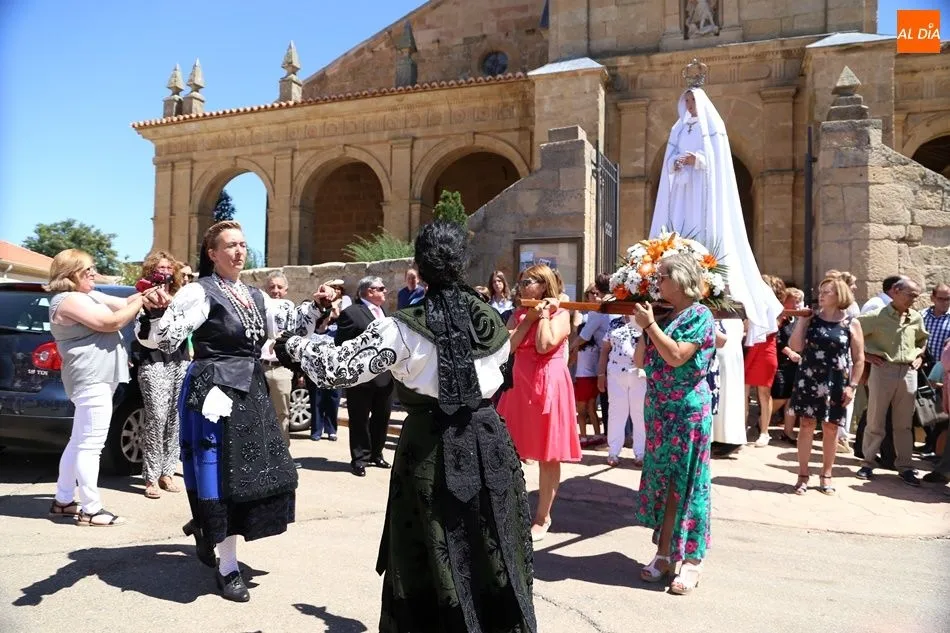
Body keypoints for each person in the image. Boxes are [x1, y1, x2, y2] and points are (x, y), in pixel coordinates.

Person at [277, 221, 537, 633]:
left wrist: (291, 344)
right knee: (490, 546)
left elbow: (337, 368)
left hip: (430, 450)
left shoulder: (402, 327)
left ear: (420, 266)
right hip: (490, 444)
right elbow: (502, 373)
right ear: (462, 264)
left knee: (435, 548)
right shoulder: (492, 319)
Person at [140, 220, 320, 602]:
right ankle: (227, 567)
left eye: (242, 244)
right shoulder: (198, 291)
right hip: (214, 392)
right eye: (230, 245)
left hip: (250, 390)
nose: (239, 251)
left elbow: (289, 327)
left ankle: (207, 530)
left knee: (253, 476)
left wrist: (317, 306)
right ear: (212, 254)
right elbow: (166, 338)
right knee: (222, 478)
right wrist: (157, 313)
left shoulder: (255, 295)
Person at [648, 74, 783, 347]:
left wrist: (697, 160)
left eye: (692, 100)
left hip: (703, 189)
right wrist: (675, 163)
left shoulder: (713, 127)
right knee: (679, 224)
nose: (689, 105)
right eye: (686, 101)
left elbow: (718, 162)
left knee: (702, 225)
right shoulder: (678, 130)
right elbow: (668, 162)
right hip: (683, 188)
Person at [46, 249, 155, 526]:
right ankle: (91, 510)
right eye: (88, 269)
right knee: (91, 446)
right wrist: (140, 302)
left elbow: (125, 302)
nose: (94, 273)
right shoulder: (67, 299)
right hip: (90, 378)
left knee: (79, 442)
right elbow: (111, 322)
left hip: (97, 378)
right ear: (71, 273)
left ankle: (63, 500)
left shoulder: (87, 295)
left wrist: (145, 293)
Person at [632, 253, 715, 595]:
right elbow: (640, 360)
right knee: (664, 481)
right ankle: (664, 553)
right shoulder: (664, 315)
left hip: (686, 411)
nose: (657, 282)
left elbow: (677, 356)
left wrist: (651, 326)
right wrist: (645, 328)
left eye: (662, 276)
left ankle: (692, 560)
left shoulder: (701, 315)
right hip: (659, 411)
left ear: (679, 279)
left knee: (687, 483)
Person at [497, 264, 582, 543]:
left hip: (549, 386)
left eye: (528, 282)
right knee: (509, 449)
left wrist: (544, 315)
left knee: (548, 454)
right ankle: (510, 509)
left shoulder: (561, 313)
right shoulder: (519, 313)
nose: (521, 287)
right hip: (520, 385)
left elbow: (545, 345)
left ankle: (542, 517)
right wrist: (528, 319)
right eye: (520, 282)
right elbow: (507, 347)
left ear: (544, 285)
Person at [788, 277, 865, 495]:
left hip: (836, 381)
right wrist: (802, 321)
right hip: (809, 378)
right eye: (820, 291)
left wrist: (853, 386)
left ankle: (826, 475)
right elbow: (795, 346)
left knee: (831, 428)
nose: (820, 295)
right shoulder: (811, 319)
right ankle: (803, 475)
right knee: (806, 425)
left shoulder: (851, 323)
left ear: (839, 295)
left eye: (826, 292)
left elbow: (859, 358)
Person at [856, 278, 929, 486]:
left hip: (908, 372)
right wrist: (866, 356)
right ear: (896, 291)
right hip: (883, 370)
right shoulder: (876, 316)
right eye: (911, 295)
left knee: (904, 424)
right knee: (875, 419)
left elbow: (922, 339)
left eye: (916, 296)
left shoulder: (916, 317)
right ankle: (868, 463)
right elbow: (852, 333)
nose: (914, 300)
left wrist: (920, 356)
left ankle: (905, 467)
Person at [133, 250, 190, 500]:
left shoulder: (180, 296)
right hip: (153, 360)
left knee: (175, 418)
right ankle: (150, 477)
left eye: (169, 268)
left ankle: (167, 473)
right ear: (151, 271)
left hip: (179, 360)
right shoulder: (142, 296)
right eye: (161, 268)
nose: (165, 272)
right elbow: (142, 334)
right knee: (156, 417)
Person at [336, 276, 395, 477]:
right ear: (370, 291)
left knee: (382, 417)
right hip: (361, 378)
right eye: (381, 288)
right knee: (359, 420)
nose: (385, 291)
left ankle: (376, 454)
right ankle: (359, 458)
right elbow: (341, 345)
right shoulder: (352, 313)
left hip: (385, 376)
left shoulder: (383, 312)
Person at [597, 315, 646, 467]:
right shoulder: (614, 323)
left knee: (640, 413)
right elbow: (605, 350)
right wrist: (601, 374)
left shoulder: (645, 321)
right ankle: (613, 451)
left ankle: (641, 452)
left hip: (639, 372)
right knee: (616, 412)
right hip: (616, 372)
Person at [745, 275, 786, 447]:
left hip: (766, 349)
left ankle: (764, 431)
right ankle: (742, 429)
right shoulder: (750, 303)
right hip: (749, 348)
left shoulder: (776, 308)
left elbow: (772, 327)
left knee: (764, 392)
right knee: (744, 392)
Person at [260, 270, 296, 447]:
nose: (275, 290)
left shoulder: (290, 311)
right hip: (259, 367)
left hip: (281, 368)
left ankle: (282, 453)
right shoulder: (260, 310)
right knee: (257, 412)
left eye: (279, 287)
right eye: (271, 287)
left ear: (286, 290)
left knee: (281, 413)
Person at [308, 279, 345, 442]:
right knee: (316, 400)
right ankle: (316, 430)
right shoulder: (312, 327)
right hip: (316, 369)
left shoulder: (339, 325)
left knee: (333, 399)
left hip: (334, 369)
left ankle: (331, 429)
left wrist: (337, 313)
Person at [772, 288, 804, 443]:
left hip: (797, 363)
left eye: (799, 301)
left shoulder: (799, 320)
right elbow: (777, 340)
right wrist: (790, 352)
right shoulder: (780, 319)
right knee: (781, 395)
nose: (797, 305)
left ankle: (788, 431)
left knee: (792, 397)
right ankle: (763, 419)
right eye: (793, 301)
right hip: (781, 362)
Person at [573, 283, 604, 440]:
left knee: (581, 410)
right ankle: (597, 435)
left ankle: (583, 437)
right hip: (593, 378)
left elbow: (571, 360)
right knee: (592, 408)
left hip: (582, 379)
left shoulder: (579, 349)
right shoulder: (595, 348)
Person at [923, 283, 950, 369]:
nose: (944, 302)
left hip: (945, 369)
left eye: (948, 299)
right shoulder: (921, 316)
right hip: (922, 366)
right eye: (940, 299)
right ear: (932, 298)